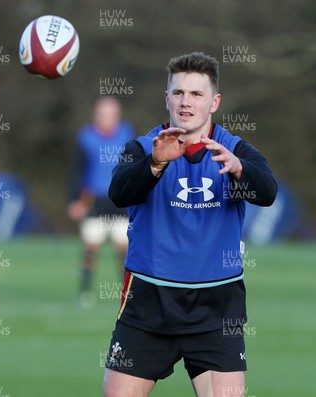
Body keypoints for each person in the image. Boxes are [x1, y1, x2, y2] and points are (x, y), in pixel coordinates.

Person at [102, 52, 278, 397]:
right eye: (179, 92)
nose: (186, 101)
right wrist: (155, 163)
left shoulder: (234, 151)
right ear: (166, 98)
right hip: (149, 304)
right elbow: (119, 193)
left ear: (214, 102)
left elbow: (267, 192)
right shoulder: (141, 148)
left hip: (216, 309)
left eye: (196, 94)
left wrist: (241, 169)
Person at [68, 97, 135, 308]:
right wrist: (74, 200)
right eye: (101, 114)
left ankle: (126, 293)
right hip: (93, 200)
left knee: (124, 249)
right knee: (90, 247)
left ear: (118, 115)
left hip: (120, 200)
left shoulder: (128, 135)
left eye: (110, 114)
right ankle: (85, 292)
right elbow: (75, 171)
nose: (106, 119)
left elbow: (136, 169)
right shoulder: (85, 138)